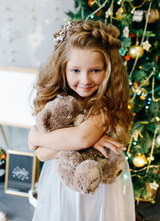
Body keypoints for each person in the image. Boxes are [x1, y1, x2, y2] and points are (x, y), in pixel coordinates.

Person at [28, 20, 135, 221]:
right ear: (63, 68)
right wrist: (74, 142)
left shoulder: (106, 105)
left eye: (95, 70)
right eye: (75, 70)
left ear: (108, 71)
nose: (85, 80)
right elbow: (42, 155)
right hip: (61, 181)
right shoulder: (58, 102)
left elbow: (81, 138)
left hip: (99, 185)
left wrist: (35, 136)